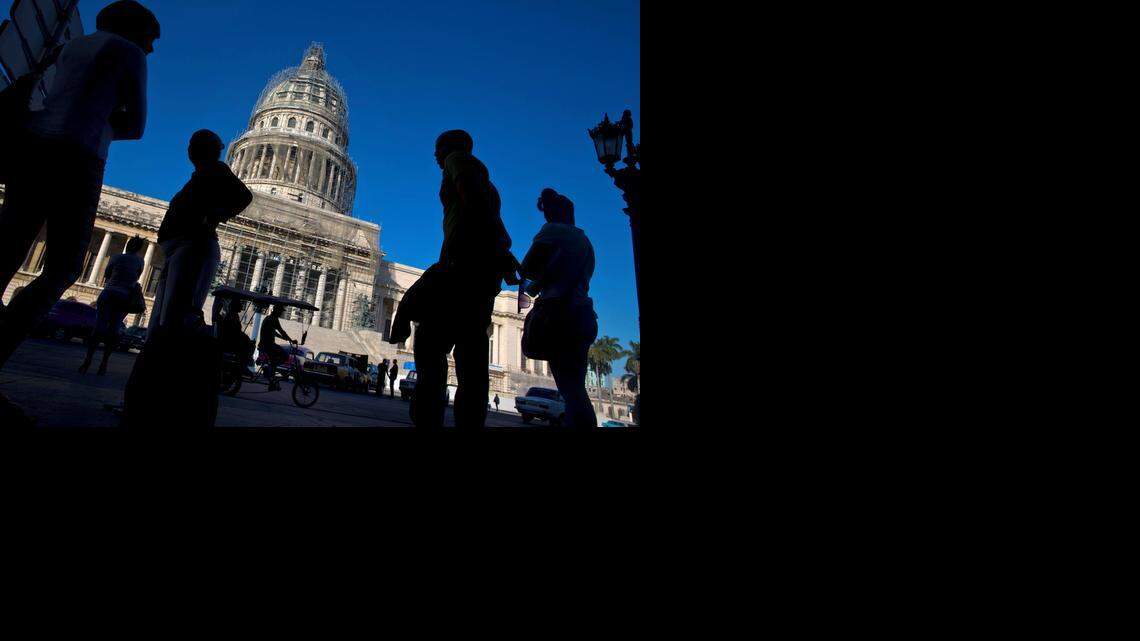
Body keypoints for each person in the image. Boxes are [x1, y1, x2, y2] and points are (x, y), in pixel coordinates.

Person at [0, 0, 158, 372]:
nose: (151, 48)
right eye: (150, 38)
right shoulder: (130, 52)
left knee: (8, 248)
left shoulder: (67, 47)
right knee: (65, 267)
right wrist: (102, 124)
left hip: (33, 147)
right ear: (132, 28)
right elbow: (136, 125)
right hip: (79, 155)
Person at [389, 130, 518, 430]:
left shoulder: (458, 161)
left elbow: (473, 202)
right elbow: (495, 224)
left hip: (461, 266)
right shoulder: (489, 188)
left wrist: (464, 249)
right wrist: (502, 254)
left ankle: (428, 414)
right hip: (482, 276)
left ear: (452, 147)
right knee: (472, 352)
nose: (435, 155)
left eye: (439, 148)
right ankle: (469, 421)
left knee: (430, 342)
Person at [148, 129, 252, 336]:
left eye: (194, 145)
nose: (189, 149)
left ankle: (166, 350)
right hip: (178, 249)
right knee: (164, 313)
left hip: (193, 246)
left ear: (208, 150)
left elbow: (244, 196)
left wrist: (213, 217)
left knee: (177, 312)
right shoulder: (198, 176)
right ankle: (156, 348)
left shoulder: (217, 169)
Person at [520, 188, 599, 430]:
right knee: (576, 390)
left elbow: (528, 267)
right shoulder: (585, 241)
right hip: (583, 315)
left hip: (559, 316)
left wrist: (532, 280)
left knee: (569, 389)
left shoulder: (552, 231)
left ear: (551, 214)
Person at [79, 235, 146, 375]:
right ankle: (104, 363)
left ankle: (88, 359)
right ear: (139, 249)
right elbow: (137, 276)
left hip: (109, 292)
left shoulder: (116, 257)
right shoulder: (140, 261)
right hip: (124, 297)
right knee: (114, 330)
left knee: (99, 327)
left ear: (128, 245)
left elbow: (107, 274)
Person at [259, 305, 294, 391]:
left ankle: (271, 377)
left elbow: (274, 332)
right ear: (276, 311)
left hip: (266, 344)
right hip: (268, 345)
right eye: (280, 311)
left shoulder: (269, 318)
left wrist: (285, 338)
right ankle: (269, 368)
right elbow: (281, 331)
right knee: (285, 356)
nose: (281, 313)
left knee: (274, 361)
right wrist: (291, 340)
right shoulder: (273, 319)